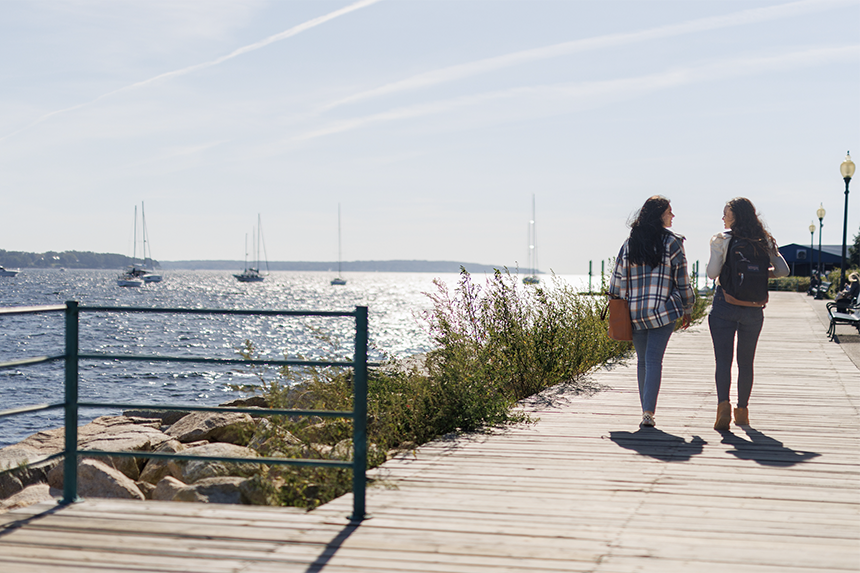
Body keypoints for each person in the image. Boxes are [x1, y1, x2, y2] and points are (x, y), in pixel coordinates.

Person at [609, 196, 695, 428]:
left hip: (635, 312)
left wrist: (615, 301)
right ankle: (648, 412)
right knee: (654, 360)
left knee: (643, 362)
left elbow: (616, 280)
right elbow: (682, 279)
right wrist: (688, 306)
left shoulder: (630, 244)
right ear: (659, 215)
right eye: (670, 211)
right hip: (663, 312)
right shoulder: (673, 242)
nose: (673, 216)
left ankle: (646, 411)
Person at [706, 198, 789, 430]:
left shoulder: (722, 239)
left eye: (726, 213)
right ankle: (742, 412)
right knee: (746, 362)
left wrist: (730, 271)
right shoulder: (763, 241)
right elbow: (783, 270)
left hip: (725, 305)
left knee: (723, 360)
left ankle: (723, 407)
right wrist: (760, 275)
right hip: (753, 309)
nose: (723, 218)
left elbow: (712, 273)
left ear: (736, 216)